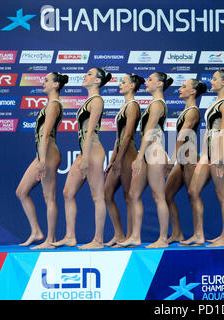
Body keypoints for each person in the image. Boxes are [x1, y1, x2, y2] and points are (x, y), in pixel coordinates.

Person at [53, 68, 111, 249]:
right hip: (84, 152)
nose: (85, 76)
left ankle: (98, 240)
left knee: (97, 196)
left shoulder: (97, 100)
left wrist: (85, 158)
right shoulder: (89, 100)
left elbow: (91, 131)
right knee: (67, 193)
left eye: (89, 74)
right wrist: (82, 156)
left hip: (92, 152)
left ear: (97, 81)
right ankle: (70, 236)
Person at [183, 69, 224, 247]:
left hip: (217, 149)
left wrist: (221, 156)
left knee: (222, 193)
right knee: (193, 190)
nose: (211, 81)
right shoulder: (216, 101)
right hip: (207, 150)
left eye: (215, 79)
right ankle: (199, 235)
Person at [117, 72, 173, 248]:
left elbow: (149, 133)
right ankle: (135, 236)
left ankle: (163, 238)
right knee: (133, 194)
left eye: (150, 80)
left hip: (154, 153)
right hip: (148, 153)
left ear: (160, 84)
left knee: (158, 196)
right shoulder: (153, 104)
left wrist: (139, 157)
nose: (146, 82)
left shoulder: (157, 104)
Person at [16, 72, 68, 249]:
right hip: (42, 154)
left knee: (49, 197)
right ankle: (36, 231)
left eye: (46, 80)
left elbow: (46, 135)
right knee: (21, 191)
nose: (43, 82)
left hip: (48, 154)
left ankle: (50, 240)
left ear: (55, 85)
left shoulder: (54, 105)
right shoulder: (50, 104)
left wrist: (43, 161)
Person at [104, 73, 144, 247]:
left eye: (124, 82)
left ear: (132, 86)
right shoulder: (124, 106)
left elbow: (128, 135)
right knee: (106, 194)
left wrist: (119, 160)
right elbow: (118, 137)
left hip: (128, 155)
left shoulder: (133, 106)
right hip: (120, 154)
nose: (120, 84)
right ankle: (119, 234)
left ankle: (131, 236)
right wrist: (112, 160)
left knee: (129, 197)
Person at [165, 79, 205, 243]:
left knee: (193, 195)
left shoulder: (193, 111)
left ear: (193, 92)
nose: (180, 89)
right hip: (182, 159)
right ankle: (177, 233)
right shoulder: (186, 110)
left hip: (189, 158)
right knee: (167, 194)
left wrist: (172, 159)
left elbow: (182, 136)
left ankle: (199, 234)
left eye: (184, 87)